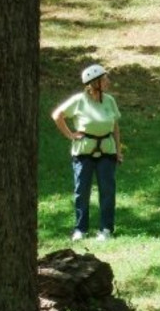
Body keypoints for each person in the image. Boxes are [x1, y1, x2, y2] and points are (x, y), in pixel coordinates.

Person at [52, 64, 123, 241]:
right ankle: (80, 229)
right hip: (83, 152)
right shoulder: (79, 100)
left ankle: (106, 229)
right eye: (104, 79)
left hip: (107, 151)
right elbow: (57, 115)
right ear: (94, 82)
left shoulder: (109, 101)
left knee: (107, 190)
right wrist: (70, 135)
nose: (108, 81)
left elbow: (115, 127)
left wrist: (118, 150)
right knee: (81, 191)